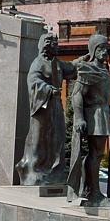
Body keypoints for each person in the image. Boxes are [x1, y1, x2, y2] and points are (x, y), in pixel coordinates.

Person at [15, 32, 77, 186]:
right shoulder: (38, 62)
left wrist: (88, 57)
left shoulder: (57, 63)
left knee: (58, 136)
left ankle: (55, 169)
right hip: (42, 107)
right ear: (46, 46)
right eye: (55, 44)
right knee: (39, 138)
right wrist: (48, 89)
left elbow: (71, 68)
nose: (58, 47)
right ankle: (34, 168)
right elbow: (33, 80)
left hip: (56, 105)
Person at [66, 33, 110, 206]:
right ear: (93, 50)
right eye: (100, 48)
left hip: (102, 112)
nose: (104, 52)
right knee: (96, 154)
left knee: (98, 154)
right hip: (93, 115)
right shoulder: (88, 69)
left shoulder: (104, 70)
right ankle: (94, 192)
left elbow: (102, 98)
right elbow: (77, 95)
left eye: (106, 48)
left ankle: (89, 189)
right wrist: (80, 118)